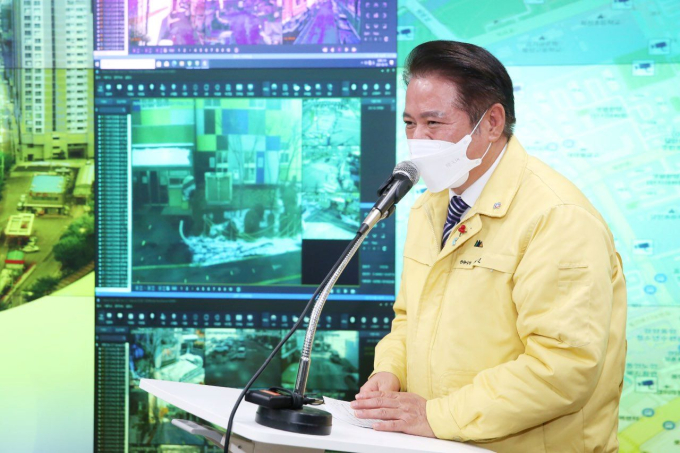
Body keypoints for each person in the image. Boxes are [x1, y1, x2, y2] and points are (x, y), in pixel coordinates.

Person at [351, 40, 627, 452]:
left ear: (492, 122)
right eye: (409, 123)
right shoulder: (430, 206)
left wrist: (437, 416)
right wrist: (388, 373)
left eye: (433, 123)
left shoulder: (557, 217)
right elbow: (410, 319)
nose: (417, 140)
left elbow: (562, 368)